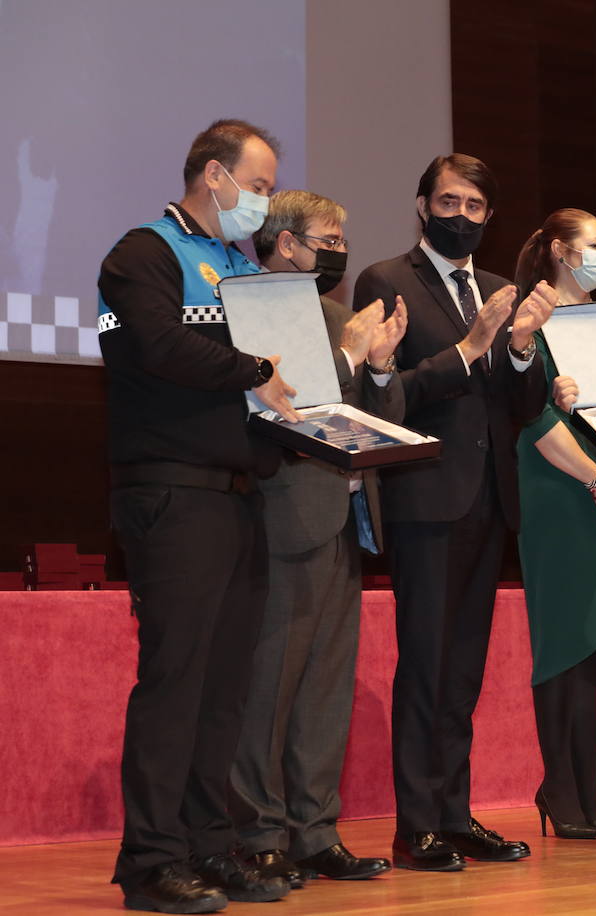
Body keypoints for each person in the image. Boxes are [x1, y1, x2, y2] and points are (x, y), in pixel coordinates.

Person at [97, 119, 298, 912]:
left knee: (223, 689)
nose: (265, 201)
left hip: (237, 494)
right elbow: (157, 346)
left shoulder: (236, 263)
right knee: (175, 683)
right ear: (212, 176)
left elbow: (282, 380)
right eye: (257, 185)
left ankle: (209, 847)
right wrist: (256, 369)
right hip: (172, 494)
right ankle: (150, 862)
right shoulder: (143, 253)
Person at [352, 153, 558, 871]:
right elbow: (385, 395)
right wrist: (470, 351)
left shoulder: (502, 290)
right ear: (421, 206)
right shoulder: (386, 280)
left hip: (489, 502)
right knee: (427, 664)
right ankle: (416, 827)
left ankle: (454, 813)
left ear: (489, 217)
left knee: (464, 668)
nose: (461, 216)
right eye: (448, 202)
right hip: (425, 499)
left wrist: (524, 349)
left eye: (474, 206)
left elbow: (523, 410)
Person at [227, 190, 407, 888]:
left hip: (347, 519)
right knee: (270, 685)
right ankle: (259, 832)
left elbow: (379, 413)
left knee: (324, 690)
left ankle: (315, 831)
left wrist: (382, 365)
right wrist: (350, 354)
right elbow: (289, 409)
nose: (338, 249)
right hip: (284, 517)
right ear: (286, 242)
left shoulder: (339, 318)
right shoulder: (247, 311)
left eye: (341, 236)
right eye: (327, 237)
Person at [511, 208, 596, 839]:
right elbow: (531, 420)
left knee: (594, 643)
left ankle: (585, 790)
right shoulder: (531, 325)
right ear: (561, 251)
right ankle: (558, 784)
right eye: (594, 243)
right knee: (564, 643)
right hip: (560, 497)